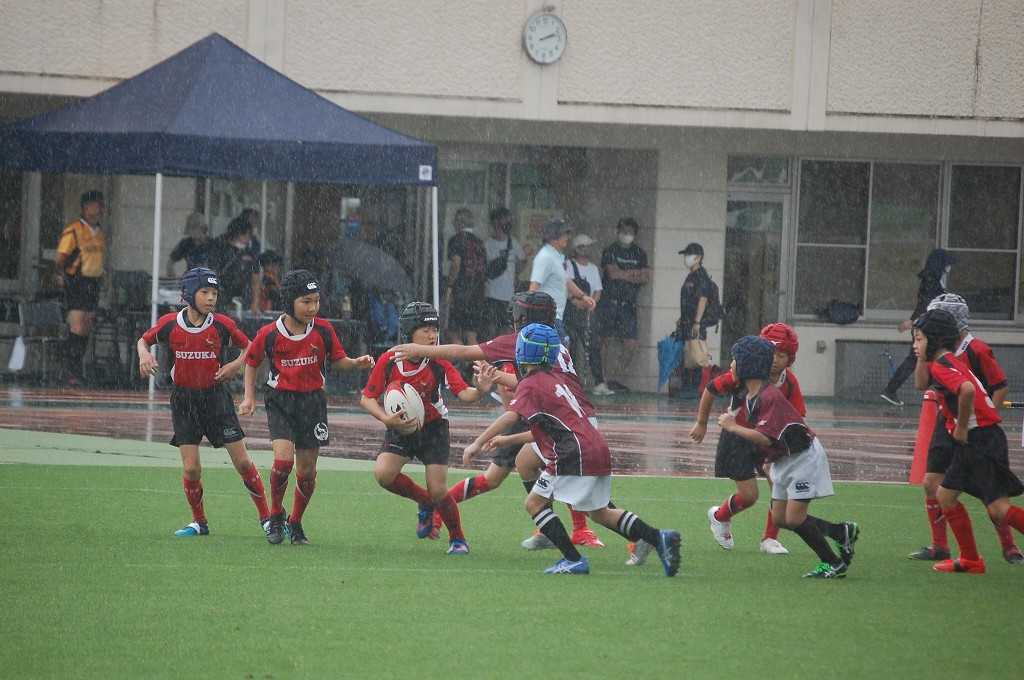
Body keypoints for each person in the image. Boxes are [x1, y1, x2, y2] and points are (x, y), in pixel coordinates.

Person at [389, 291, 607, 549]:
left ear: (523, 317)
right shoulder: (553, 343)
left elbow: (464, 351)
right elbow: (530, 385)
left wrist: (420, 350)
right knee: (515, 470)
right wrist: (497, 377)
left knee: (567, 474)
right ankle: (558, 529)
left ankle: (584, 532)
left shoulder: (520, 340)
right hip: (552, 415)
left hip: (550, 417)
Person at [462, 322, 682, 576]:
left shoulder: (530, 384)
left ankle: (573, 559)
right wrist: (507, 441)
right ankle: (658, 537)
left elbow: (511, 416)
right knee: (599, 513)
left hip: (572, 453)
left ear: (522, 352)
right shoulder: (556, 380)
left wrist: (477, 443)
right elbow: (549, 428)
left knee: (534, 503)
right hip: (595, 446)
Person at [239, 270, 375, 545]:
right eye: (306, 301)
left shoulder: (323, 330)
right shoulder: (269, 333)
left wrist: (354, 363)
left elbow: (338, 360)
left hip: (312, 402)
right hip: (280, 401)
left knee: (307, 471)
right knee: (283, 462)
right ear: (289, 301)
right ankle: (276, 514)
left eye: (316, 301)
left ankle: (296, 522)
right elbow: (251, 362)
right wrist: (249, 397)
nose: (313, 307)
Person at [136, 267, 271, 539]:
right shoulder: (170, 324)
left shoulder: (222, 324)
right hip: (184, 402)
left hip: (216, 400)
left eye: (215, 293)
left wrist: (234, 365)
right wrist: (144, 355)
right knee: (191, 468)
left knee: (243, 463)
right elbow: (143, 340)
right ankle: (199, 522)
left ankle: (268, 519)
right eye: (205, 292)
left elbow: (251, 348)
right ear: (188, 294)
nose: (211, 298)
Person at [717, 335, 859, 578]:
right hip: (784, 460)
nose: (731, 365)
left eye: (735, 360)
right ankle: (840, 532)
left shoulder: (768, 396)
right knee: (781, 518)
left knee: (793, 518)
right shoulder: (752, 394)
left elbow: (765, 438)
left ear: (748, 366)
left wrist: (732, 427)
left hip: (803, 459)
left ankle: (833, 563)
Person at [360, 302, 492, 555]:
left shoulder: (438, 360)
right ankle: (425, 502)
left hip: (434, 429)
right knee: (384, 475)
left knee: (439, 490)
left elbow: (464, 393)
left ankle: (457, 538)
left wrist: (479, 390)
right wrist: (386, 419)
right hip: (400, 426)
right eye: (426, 330)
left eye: (435, 330)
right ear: (410, 332)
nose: (433, 336)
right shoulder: (390, 360)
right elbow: (367, 398)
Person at [908, 294, 1021, 564]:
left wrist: (965, 425)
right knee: (942, 492)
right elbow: (925, 384)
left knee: (996, 505)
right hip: (965, 429)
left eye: (919, 338)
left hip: (977, 434)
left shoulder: (964, 355)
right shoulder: (942, 358)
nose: (915, 344)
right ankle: (964, 557)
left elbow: (973, 389)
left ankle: (1005, 548)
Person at [682, 323, 803, 560]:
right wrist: (701, 423)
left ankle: (770, 538)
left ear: (790, 358)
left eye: (782, 355)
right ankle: (719, 516)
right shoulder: (743, 373)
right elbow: (710, 390)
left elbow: (798, 416)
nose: (775, 360)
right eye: (772, 353)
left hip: (767, 440)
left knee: (779, 486)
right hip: (737, 438)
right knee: (749, 496)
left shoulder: (789, 382)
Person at [881, 248, 957, 406]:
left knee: (920, 359)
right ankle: (937, 394)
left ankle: (893, 389)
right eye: (947, 264)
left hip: (927, 324)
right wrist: (913, 321)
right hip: (927, 326)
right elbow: (925, 304)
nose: (949, 268)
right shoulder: (932, 281)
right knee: (927, 359)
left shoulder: (932, 280)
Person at [54, 190, 107, 385]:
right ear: (86, 207)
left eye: (101, 205)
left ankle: (75, 370)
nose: (100, 209)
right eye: (97, 205)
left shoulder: (100, 232)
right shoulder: (74, 230)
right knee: (76, 324)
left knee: (86, 326)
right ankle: (69, 370)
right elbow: (60, 257)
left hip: (93, 283)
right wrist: (61, 275)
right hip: (77, 281)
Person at [595, 218, 650, 394]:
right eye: (624, 231)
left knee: (631, 345)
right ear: (618, 231)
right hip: (609, 302)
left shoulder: (639, 253)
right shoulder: (610, 250)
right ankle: (601, 379)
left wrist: (624, 273)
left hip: (629, 305)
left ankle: (614, 377)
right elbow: (612, 274)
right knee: (604, 341)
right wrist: (633, 274)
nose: (627, 235)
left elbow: (645, 277)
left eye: (630, 232)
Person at [528, 219, 595, 340]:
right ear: (554, 237)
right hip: (546, 317)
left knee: (562, 348)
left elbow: (566, 281)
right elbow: (534, 287)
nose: (567, 238)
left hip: (555, 316)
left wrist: (583, 296)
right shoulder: (545, 257)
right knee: (560, 348)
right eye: (564, 234)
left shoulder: (556, 256)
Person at [565, 234, 606, 392]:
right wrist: (577, 302)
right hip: (571, 312)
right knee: (572, 347)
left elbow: (597, 290)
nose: (587, 250)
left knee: (593, 346)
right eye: (584, 247)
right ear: (577, 249)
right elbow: (567, 288)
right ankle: (571, 382)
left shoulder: (593, 268)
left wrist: (591, 303)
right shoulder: (569, 265)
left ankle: (599, 382)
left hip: (587, 313)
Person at [677, 242, 716, 394]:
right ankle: (689, 388)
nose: (686, 258)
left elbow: (703, 299)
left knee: (697, 356)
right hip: (688, 321)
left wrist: (697, 322)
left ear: (698, 258)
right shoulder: (691, 276)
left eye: (689, 255)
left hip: (696, 323)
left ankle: (695, 389)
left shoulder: (701, 277)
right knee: (689, 355)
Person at [445, 208, 487, 345]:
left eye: (455, 221)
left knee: (452, 331)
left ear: (459, 223)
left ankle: (459, 358)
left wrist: (450, 286)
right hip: (478, 292)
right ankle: (474, 358)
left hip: (461, 290)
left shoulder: (456, 240)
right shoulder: (480, 243)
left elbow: (456, 264)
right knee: (471, 333)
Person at [482, 207, 525, 339]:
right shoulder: (487, 244)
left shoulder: (513, 243)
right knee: (490, 328)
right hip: (491, 294)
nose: (507, 224)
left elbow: (522, 260)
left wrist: (515, 274)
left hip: (508, 295)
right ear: (495, 222)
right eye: (504, 220)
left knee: (506, 329)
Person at [210, 212, 261, 314]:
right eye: (247, 235)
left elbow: (255, 279)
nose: (248, 239)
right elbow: (212, 276)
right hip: (223, 299)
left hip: (244, 300)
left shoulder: (250, 253)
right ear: (238, 234)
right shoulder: (220, 251)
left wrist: (255, 302)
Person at [166, 212, 212, 276]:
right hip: (190, 278)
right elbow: (170, 262)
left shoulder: (212, 244)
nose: (192, 232)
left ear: (203, 229)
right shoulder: (186, 243)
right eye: (191, 229)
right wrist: (171, 272)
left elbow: (218, 267)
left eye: (195, 228)